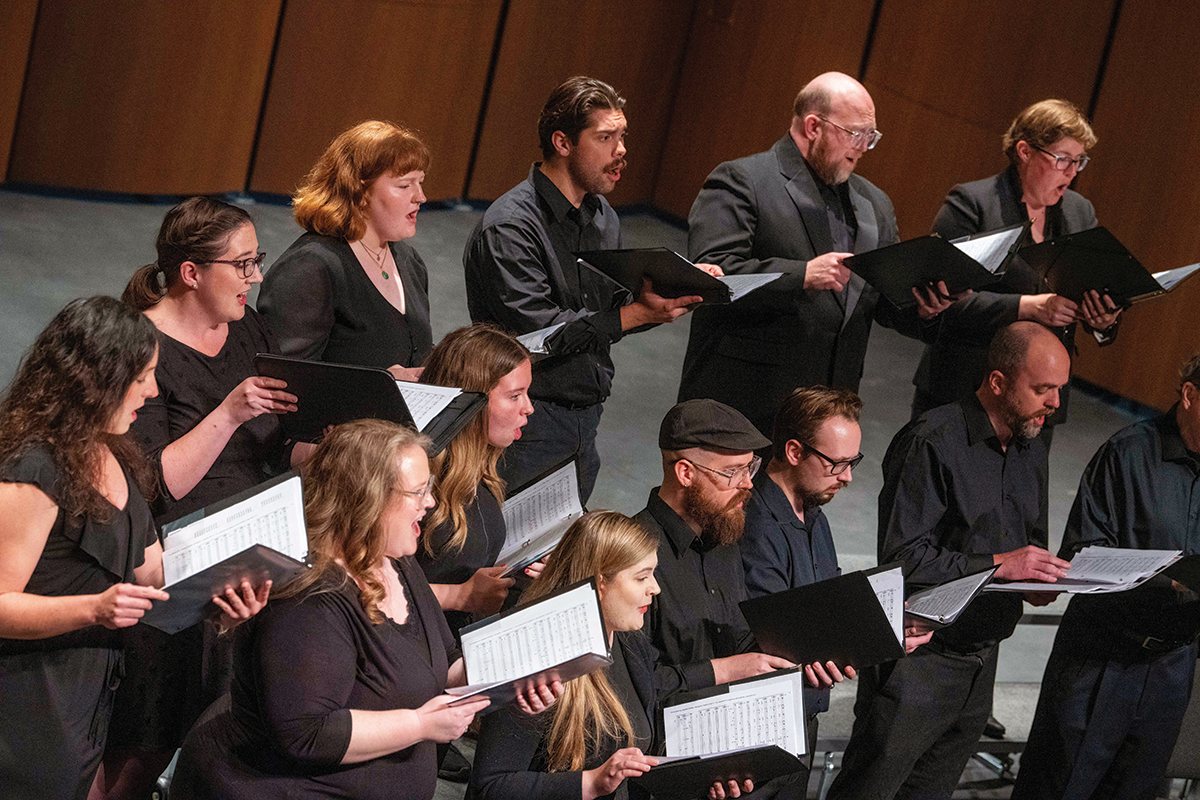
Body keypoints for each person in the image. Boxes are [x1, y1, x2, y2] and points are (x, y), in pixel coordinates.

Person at [174, 420, 555, 799]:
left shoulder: (396, 562)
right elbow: (307, 733)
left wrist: (519, 674)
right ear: (368, 498)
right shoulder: (309, 602)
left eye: (430, 487)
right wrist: (421, 724)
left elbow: (448, 664)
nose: (431, 503)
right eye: (418, 491)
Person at [0, 297, 258, 800]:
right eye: (143, 376)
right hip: (28, 695)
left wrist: (225, 593)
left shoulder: (112, 450)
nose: (154, 390)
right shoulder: (32, 469)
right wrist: (94, 608)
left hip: (89, 690)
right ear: (94, 377)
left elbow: (152, 572)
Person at [95, 197, 301, 800]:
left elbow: (280, 446)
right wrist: (230, 411)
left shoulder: (249, 329)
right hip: (180, 559)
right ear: (192, 273)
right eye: (243, 264)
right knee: (148, 737)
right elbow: (156, 484)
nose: (256, 277)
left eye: (256, 261)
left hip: (257, 543)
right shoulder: (142, 347)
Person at [827, 321, 1075, 800]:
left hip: (981, 660)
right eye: (1043, 389)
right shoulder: (932, 440)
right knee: (870, 790)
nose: (1055, 404)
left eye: (1061, 390)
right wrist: (1000, 565)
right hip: (921, 660)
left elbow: (1030, 549)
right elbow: (903, 558)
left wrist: (1038, 581)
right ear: (998, 381)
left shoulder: (1031, 449)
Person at [464, 76, 710, 503]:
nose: (621, 150)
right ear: (562, 142)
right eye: (605, 137)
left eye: (622, 136)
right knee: (505, 562)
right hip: (526, 425)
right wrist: (632, 315)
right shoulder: (511, 227)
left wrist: (669, 291)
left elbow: (608, 313)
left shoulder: (601, 217)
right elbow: (537, 336)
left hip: (584, 420)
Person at [677, 71, 952, 437]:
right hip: (744, 401)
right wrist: (802, 275)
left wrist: (923, 307)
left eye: (871, 136)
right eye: (855, 134)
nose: (864, 147)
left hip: (827, 411)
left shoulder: (876, 204)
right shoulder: (742, 180)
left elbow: (877, 301)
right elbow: (713, 277)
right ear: (813, 126)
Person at [1011, 353, 1200, 800]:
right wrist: (1167, 582)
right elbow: (1081, 555)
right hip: (1102, 662)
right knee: (1059, 788)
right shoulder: (1128, 453)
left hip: (1173, 668)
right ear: (1190, 394)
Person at [469, 510, 752, 800]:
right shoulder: (534, 656)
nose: (654, 589)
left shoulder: (628, 638)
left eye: (653, 574)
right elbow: (491, 787)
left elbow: (646, 720)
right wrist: (590, 783)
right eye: (641, 578)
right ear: (600, 583)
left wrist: (699, 779)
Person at [912, 98, 1122, 426]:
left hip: (1039, 403)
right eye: (1062, 159)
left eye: (1079, 162)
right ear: (1024, 151)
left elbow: (1093, 287)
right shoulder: (973, 204)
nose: (1071, 172)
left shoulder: (1080, 212)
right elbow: (941, 302)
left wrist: (1103, 319)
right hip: (966, 385)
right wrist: (1026, 307)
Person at [739, 385, 934, 644]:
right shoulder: (756, 525)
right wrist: (873, 636)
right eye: (838, 464)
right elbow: (779, 635)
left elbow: (829, 606)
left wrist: (888, 623)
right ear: (795, 452)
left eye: (852, 462)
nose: (847, 477)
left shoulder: (814, 515)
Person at [258, 120, 433, 379]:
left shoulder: (409, 261)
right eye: (405, 185)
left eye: (420, 183)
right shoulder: (310, 269)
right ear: (360, 191)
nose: (421, 197)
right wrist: (381, 383)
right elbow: (285, 382)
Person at [417, 323, 535, 636]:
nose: (529, 408)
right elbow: (363, 588)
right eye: (514, 396)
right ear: (472, 400)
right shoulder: (417, 482)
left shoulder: (480, 475)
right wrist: (461, 596)